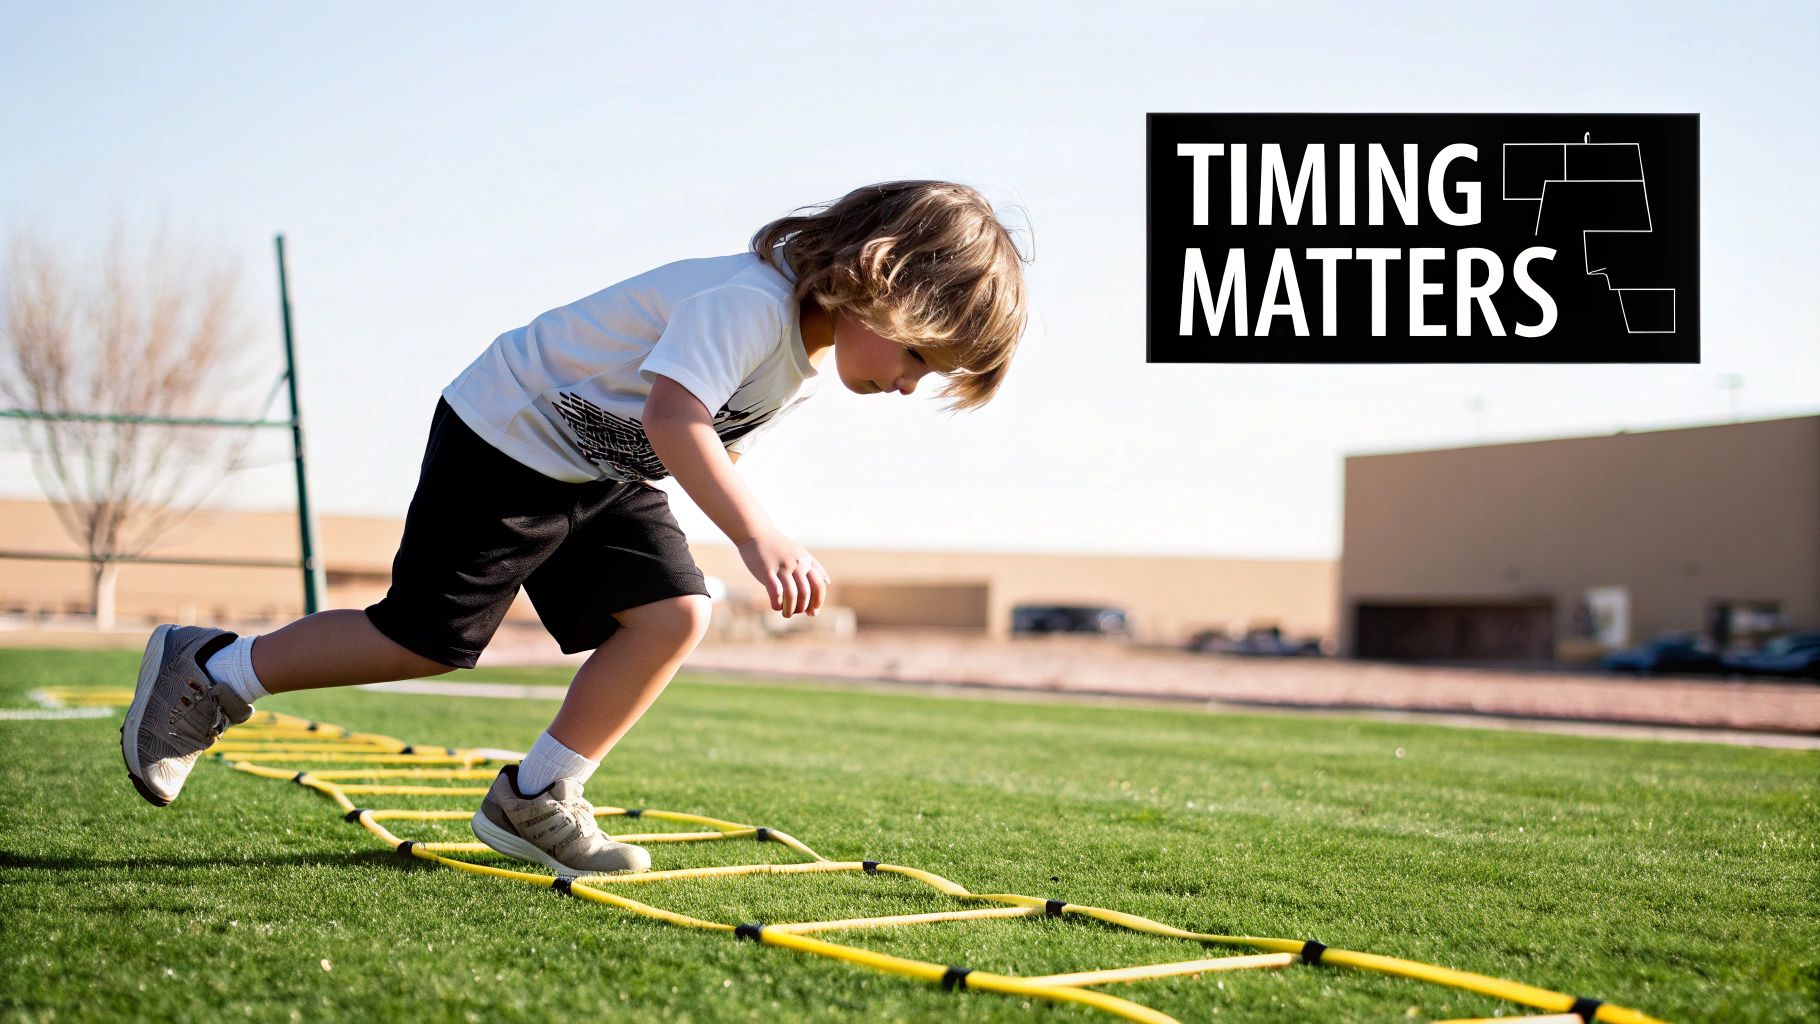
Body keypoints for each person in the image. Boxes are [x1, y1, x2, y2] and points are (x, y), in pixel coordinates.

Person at [119, 180, 1030, 875]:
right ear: (877, 279)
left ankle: (536, 793)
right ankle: (210, 671)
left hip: (603, 468)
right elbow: (678, 420)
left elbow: (696, 445)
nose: (911, 382)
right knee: (422, 640)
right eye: (918, 355)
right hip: (508, 433)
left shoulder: (798, 362)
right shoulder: (749, 304)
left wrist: (699, 529)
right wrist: (758, 538)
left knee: (674, 613)